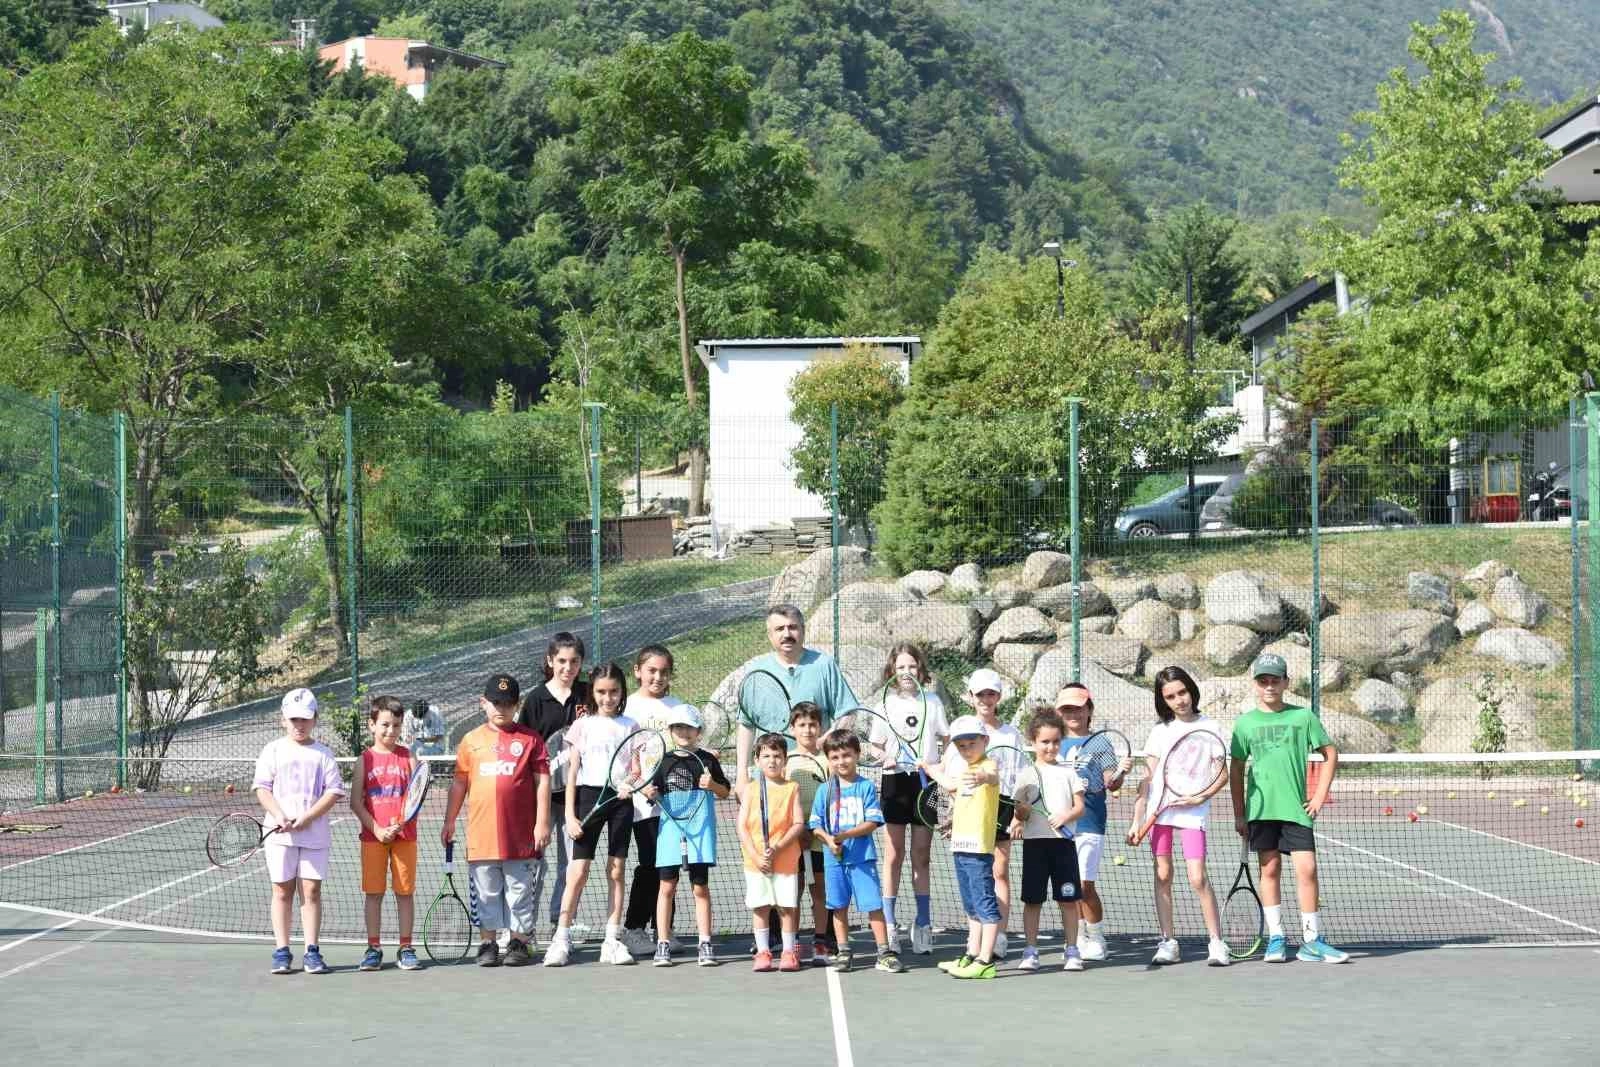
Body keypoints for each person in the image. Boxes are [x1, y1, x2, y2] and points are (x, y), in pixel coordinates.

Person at [1228, 653, 1350, 964]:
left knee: (1307, 869)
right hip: (1261, 810)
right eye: (1263, 680)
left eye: (1275, 680)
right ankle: (1276, 938)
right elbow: (1236, 769)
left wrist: (1319, 796)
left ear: (1286, 682)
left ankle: (1311, 941)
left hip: (1297, 810)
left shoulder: (1303, 717)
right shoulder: (1245, 723)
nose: (1269, 686)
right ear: (1255, 684)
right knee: (1269, 870)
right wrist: (1239, 813)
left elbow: (1330, 753)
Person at [440, 673, 552, 968]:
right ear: (483, 703)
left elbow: (542, 782)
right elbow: (459, 784)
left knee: (520, 893)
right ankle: (488, 943)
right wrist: (449, 820)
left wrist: (542, 822)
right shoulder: (470, 741)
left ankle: (519, 943)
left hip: (521, 837)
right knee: (486, 893)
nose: (502, 708)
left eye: (508, 703)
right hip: (482, 837)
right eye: (496, 702)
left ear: (517, 705)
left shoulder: (531, 740)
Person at [1130, 665, 1229, 966]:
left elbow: (1222, 774)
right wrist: (1137, 819)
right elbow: (1147, 780)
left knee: (1197, 878)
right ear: (1163, 700)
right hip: (1159, 813)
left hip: (1192, 813)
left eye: (1182, 692)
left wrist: (1202, 796)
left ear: (1191, 690)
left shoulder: (1211, 727)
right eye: (1170, 696)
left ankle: (1216, 943)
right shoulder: (1160, 731)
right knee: (1162, 875)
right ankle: (1168, 942)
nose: (1179, 700)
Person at [546, 662, 636, 967]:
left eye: (614, 692)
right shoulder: (582, 725)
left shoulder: (631, 726)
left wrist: (629, 783)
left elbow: (635, 767)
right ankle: (561, 938)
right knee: (578, 872)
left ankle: (611, 940)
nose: (608, 698)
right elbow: (571, 774)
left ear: (622, 691)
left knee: (616, 870)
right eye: (601, 692)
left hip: (619, 802)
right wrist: (570, 816)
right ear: (593, 693)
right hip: (587, 799)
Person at [253, 687, 346, 975]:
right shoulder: (272, 750)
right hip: (279, 835)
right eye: (293, 719)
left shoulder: (324, 754)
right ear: (283, 719)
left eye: (305, 719)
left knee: (311, 891)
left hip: (314, 835)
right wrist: (279, 815)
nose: (299, 724)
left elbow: (333, 791)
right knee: (282, 891)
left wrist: (307, 817)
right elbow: (262, 788)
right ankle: (282, 951)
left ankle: (312, 951)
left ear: (315, 719)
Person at [870, 643, 948, 956]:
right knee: (893, 855)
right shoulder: (884, 704)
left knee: (922, 856)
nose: (906, 672)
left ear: (920, 669)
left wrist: (939, 768)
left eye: (912, 666)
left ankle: (923, 923)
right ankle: (889, 925)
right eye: (901, 667)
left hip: (926, 783)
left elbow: (946, 740)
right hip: (894, 782)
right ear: (892, 670)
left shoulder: (933, 702)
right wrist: (884, 757)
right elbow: (875, 745)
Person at [810, 729, 905, 974]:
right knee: (838, 906)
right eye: (835, 757)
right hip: (834, 861)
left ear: (857, 755)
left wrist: (845, 835)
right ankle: (844, 951)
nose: (841, 761)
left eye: (846, 755)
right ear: (828, 760)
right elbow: (815, 824)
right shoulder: (824, 790)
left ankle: (884, 952)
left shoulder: (865, 787)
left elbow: (872, 822)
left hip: (862, 859)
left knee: (873, 905)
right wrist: (828, 840)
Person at [645, 705, 731, 968]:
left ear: (699, 731)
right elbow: (654, 793)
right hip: (670, 831)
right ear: (671, 731)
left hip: (700, 831)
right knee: (666, 887)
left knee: (700, 888)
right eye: (678, 727)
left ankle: (705, 943)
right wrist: (651, 793)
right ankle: (662, 942)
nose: (684, 732)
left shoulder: (708, 760)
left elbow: (725, 791)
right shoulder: (664, 761)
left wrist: (712, 785)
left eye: (689, 727)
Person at [519, 632, 592, 942]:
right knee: (534, 863)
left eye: (574, 661)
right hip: (542, 796)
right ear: (550, 661)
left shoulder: (588, 694)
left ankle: (561, 924)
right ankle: (524, 928)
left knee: (572, 864)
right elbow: (526, 747)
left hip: (576, 796)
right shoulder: (536, 699)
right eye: (561, 660)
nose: (568, 667)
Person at [734, 604, 857, 784]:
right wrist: (741, 774)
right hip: (769, 779)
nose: (787, 634)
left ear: (803, 630)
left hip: (817, 776)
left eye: (792, 627)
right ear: (770, 635)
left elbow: (848, 713)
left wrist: (825, 741)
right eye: (779, 629)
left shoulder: (824, 665)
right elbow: (746, 726)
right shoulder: (756, 672)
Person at [920, 714, 1001, 980]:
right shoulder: (965, 770)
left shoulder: (987, 765)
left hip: (978, 850)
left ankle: (985, 961)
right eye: (961, 746)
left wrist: (982, 777)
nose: (967, 749)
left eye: (971, 743)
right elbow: (950, 785)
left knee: (985, 904)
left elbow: (991, 776)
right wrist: (928, 767)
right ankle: (971, 954)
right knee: (971, 906)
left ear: (985, 741)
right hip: (960, 847)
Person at [619, 644, 686, 957]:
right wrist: (641, 786)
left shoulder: (678, 707)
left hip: (675, 804)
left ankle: (664, 930)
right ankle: (634, 928)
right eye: (652, 671)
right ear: (637, 671)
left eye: (664, 671)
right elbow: (623, 757)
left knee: (669, 866)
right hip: (642, 804)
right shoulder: (628, 707)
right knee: (649, 863)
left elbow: (685, 748)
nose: (658, 677)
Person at [1055, 683, 1128, 961]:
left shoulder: (1100, 743)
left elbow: (1111, 782)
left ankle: (1096, 938)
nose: (1073, 714)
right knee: (1067, 887)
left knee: (1085, 886)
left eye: (1078, 708)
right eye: (1067, 709)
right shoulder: (1054, 741)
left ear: (1089, 710)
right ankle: (1078, 937)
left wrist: (1120, 774)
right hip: (1058, 824)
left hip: (1089, 823)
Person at [1011, 708, 1087, 972]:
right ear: (1033, 741)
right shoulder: (1026, 775)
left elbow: (1080, 807)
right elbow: (1019, 811)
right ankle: (1031, 951)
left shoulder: (1069, 773)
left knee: (1068, 900)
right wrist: (1021, 814)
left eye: (1055, 741)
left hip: (1063, 846)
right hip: (1035, 845)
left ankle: (1072, 950)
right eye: (1045, 741)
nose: (1051, 747)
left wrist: (1066, 815)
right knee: (1033, 901)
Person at [350, 694, 421, 972]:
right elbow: (356, 802)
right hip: (373, 839)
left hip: (405, 837)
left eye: (396, 725)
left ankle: (406, 947)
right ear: (372, 725)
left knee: (405, 893)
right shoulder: (364, 760)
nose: (391, 731)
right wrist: (378, 829)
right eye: (385, 725)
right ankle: (373, 948)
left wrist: (400, 824)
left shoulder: (409, 756)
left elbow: (416, 797)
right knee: (374, 894)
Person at [962, 667, 1022, 959]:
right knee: (974, 874)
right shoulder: (964, 729)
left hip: (1003, 805)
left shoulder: (1011, 734)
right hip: (972, 808)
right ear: (971, 697)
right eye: (980, 694)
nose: (986, 699)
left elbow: (1020, 776)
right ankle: (975, 938)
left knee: (999, 871)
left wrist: (1017, 813)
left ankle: (999, 936)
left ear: (998, 696)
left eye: (991, 694)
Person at [736, 732, 806, 972]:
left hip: (785, 861)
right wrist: (756, 857)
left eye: (777, 756)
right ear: (757, 760)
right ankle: (763, 952)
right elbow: (742, 827)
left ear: (785, 759)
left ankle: (788, 952)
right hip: (756, 862)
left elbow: (798, 823)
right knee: (761, 907)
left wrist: (777, 848)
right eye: (766, 756)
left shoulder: (792, 788)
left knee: (787, 908)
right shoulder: (750, 789)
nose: (772, 760)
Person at [788, 702, 833, 965]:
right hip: (792, 839)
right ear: (792, 728)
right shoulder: (786, 760)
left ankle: (820, 940)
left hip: (819, 838)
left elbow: (832, 798)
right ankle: (791, 941)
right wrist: (797, 829)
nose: (807, 730)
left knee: (819, 891)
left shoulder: (827, 760)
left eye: (813, 724)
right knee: (792, 892)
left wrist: (814, 828)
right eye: (802, 725)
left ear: (820, 727)